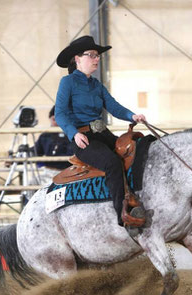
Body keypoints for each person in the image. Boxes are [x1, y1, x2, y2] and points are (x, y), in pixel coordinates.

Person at [55, 35, 147, 227]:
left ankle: (138, 197)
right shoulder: (67, 83)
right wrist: (74, 133)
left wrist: (132, 116)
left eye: (97, 56)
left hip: (102, 134)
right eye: (92, 55)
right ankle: (122, 216)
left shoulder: (97, 85)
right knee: (112, 163)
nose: (96, 59)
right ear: (77, 59)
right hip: (84, 138)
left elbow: (114, 106)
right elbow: (61, 114)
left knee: (137, 148)